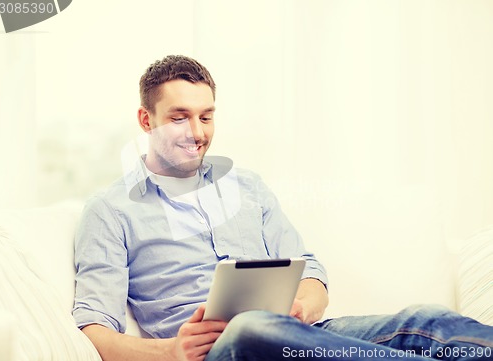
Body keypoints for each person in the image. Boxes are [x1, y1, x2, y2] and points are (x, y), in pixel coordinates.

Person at [73, 55, 493, 361]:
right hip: (221, 353)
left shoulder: (247, 187)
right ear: (146, 121)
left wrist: (304, 305)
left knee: (427, 319)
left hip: (300, 337)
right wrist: (170, 351)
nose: (197, 132)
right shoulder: (109, 210)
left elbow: (309, 270)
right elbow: (94, 329)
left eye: (206, 117)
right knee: (250, 328)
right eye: (180, 117)